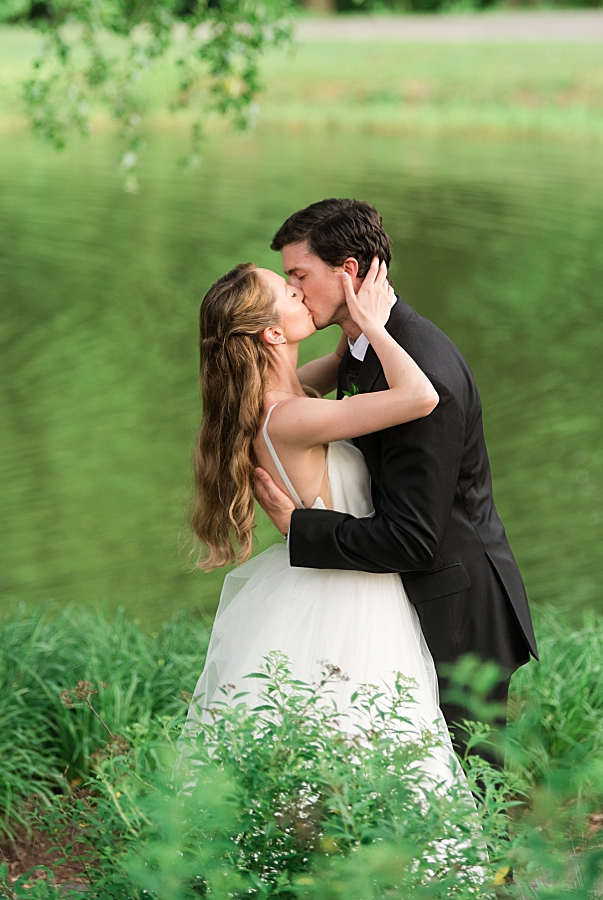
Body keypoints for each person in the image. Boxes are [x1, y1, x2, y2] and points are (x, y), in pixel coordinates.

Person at [251, 199, 536, 755]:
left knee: (466, 795)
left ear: (349, 272)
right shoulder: (363, 346)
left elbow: (411, 537)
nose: (295, 291)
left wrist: (300, 528)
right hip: (406, 598)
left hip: (454, 609)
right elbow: (281, 398)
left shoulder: (417, 371)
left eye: (299, 276)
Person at [190, 256, 457, 779]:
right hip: (350, 593)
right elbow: (419, 397)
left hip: (337, 574)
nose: (298, 291)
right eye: (288, 292)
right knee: (364, 740)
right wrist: (377, 326)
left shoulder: (281, 395)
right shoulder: (290, 416)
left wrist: (349, 308)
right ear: (272, 333)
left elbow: (341, 360)